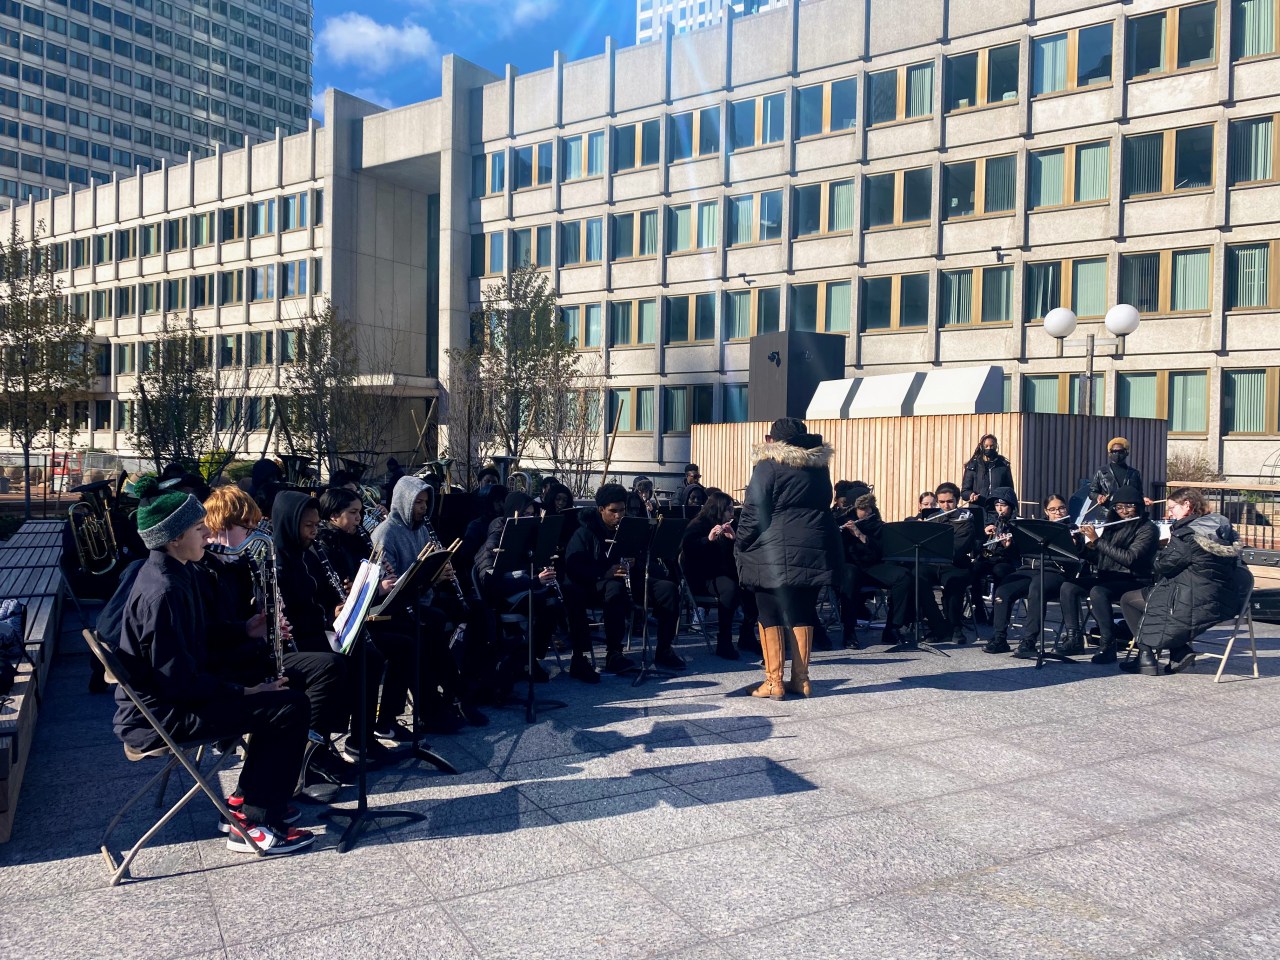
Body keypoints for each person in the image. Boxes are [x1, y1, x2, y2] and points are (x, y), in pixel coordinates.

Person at [113, 476, 314, 854]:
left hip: (175, 698)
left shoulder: (175, 571)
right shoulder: (165, 592)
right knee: (288, 707)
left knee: (289, 686)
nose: (208, 534)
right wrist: (247, 691)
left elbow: (198, 636)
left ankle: (252, 797)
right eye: (198, 528)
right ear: (174, 538)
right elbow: (179, 682)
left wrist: (245, 629)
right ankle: (251, 822)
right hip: (162, 716)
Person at [201, 485, 356, 792]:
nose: (253, 536)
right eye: (247, 529)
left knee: (336, 664)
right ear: (218, 527)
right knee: (325, 670)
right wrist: (250, 628)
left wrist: (266, 617)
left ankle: (312, 753)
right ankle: (306, 757)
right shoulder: (205, 572)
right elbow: (212, 635)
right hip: (231, 668)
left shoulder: (239, 564)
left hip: (251, 654)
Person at [735, 417, 843, 699]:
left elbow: (754, 510)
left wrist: (741, 541)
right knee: (803, 613)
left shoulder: (768, 465)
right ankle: (802, 680)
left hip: (772, 550)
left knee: (768, 612)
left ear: (772, 440)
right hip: (813, 549)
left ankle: (774, 682)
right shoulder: (820, 468)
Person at [1124, 487, 1244, 676]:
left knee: (1129, 599)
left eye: (1172, 508)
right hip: (1224, 599)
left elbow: (1162, 566)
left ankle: (1146, 656)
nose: (1169, 512)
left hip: (1193, 601)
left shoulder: (1187, 535)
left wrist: (1157, 550)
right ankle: (1178, 651)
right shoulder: (1221, 530)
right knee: (1158, 595)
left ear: (1187, 505)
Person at [473, 491, 589, 682]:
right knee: (547, 604)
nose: (531, 518)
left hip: (526, 589)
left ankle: (574, 657)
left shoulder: (529, 535)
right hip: (504, 598)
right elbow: (491, 582)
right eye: (525, 514)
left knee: (569, 596)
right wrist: (535, 581)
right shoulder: (495, 539)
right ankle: (525, 659)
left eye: (532, 514)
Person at [1055, 486, 1158, 662]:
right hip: (1108, 576)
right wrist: (1079, 546)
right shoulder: (1113, 526)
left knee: (1098, 591)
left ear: (1139, 506)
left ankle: (1108, 645)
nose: (1124, 511)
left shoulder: (1147, 528)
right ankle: (1074, 638)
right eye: (1118, 507)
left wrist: (1097, 540)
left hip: (1134, 579)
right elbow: (1101, 558)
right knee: (1069, 586)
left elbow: (1130, 558)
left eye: (1129, 506)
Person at [982, 494, 1081, 656]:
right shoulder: (1036, 527)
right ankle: (999, 638)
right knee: (1004, 589)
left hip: (1055, 572)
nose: (1058, 512)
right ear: (1046, 511)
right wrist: (1009, 546)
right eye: (1053, 509)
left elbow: (1077, 559)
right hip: (1028, 569)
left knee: (1037, 588)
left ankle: (1029, 641)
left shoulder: (1072, 528)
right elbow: (1021, 553)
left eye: (1061, 508)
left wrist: (1074, 545)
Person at [562, 484, 638, 675]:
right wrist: (604, 572)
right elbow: (574, 566)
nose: (618, 516)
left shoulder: (626, 530)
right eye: (613, 511)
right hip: (583, 585)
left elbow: (642, 553)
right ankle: (580, 658)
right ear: (601, 509)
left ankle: (616, 653)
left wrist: (635, 561)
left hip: (614, 585)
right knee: (608, 590)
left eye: (622, 510)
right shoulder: (584, 532)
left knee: (665, 589)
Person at [680, 489, 758, 660]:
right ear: (718, 509)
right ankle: (724, 641)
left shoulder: (732, 524)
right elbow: (688, 551)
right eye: (729, 509)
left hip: (726, 574)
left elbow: (741, 554)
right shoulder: (698, 524)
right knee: (730, 588)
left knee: (754, 585)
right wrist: (708, 540)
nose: (732, 513)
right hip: (702, 577)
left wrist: (734, 541)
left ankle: (747, 634)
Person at [837, 492, 913, 647]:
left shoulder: (877, 524)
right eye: (863, 508)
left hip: (872, 567)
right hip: (849, 568)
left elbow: (882, 550)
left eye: (870, 508)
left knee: (903, 576)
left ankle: (893, 628)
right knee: (850, 576)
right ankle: (849, 632)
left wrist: (860, 535)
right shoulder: (839, 521)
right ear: (854, 509)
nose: (868, 512)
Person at [932, 482, 981, 644]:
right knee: (914, 578)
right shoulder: (933, 518)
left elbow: (958, 548)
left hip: (956, 563)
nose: (946, 505)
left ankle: (955, 626)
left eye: (950, 501)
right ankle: (936, 624)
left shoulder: (965, 519)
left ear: (958, 500)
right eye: (942, 502)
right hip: (934, 564)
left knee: (954, 583)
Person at [969, 486, 1021, 626]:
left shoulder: (1017, 524)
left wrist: (1008, 545)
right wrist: (983, 535)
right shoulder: (989, 521)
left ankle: (997, 611)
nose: (999, 509)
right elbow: (976, 546)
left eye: (1003, 506)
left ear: (1010, 507)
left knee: (1000, 571)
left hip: (1007, 561)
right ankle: (978, 608)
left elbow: (1020, 552)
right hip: (989, 557)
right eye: (997, 505)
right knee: (974, 569)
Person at [961, 434, 1014, 505]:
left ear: (996, 447)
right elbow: (964, 491)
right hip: (978, 508)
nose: (989, 448)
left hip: (996, 508)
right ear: (981, 447)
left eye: (992, 446)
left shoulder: (1003, 465)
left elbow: (1009, 490)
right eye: (986, 446)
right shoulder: (973, 465)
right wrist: (970, 495)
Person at [1089, 437, 1144, 505]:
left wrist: (1143, 500)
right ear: (1109, 453)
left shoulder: (1134, 473)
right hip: (1107, 512)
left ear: (1126, 453)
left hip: (1127, 512)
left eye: (1120, 452)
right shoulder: (1101, 472)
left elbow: (1139, 494)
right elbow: (1092, 492)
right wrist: (1098, 496)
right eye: (1114, 452)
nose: (1117, 454)